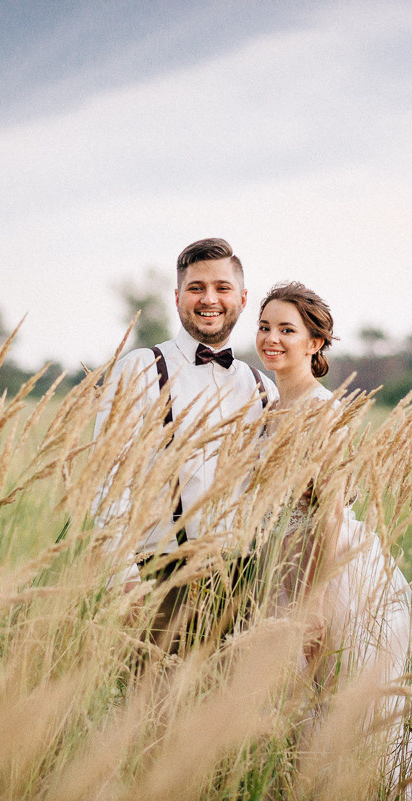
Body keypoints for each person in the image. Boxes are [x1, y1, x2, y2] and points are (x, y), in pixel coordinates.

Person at [255, 281, 412, 799]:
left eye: (286, 329)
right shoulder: (267, 405)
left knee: (333, 715)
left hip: (326, 571)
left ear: (315, 344)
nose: (272, 338)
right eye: (265, 326)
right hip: (280, 566)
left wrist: (316, 603)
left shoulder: (322, 412)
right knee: (289, 719)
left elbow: (330, 514)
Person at [94, 237, 279, 653]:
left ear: (243, 299)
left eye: (222, 287)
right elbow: (108, 481)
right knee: (154, 714)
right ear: (177, 298)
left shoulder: (262, 388)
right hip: (157, 586)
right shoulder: (141, 368)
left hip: (243, 587)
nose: (209, 298)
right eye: (196, 287)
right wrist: (121, 578)